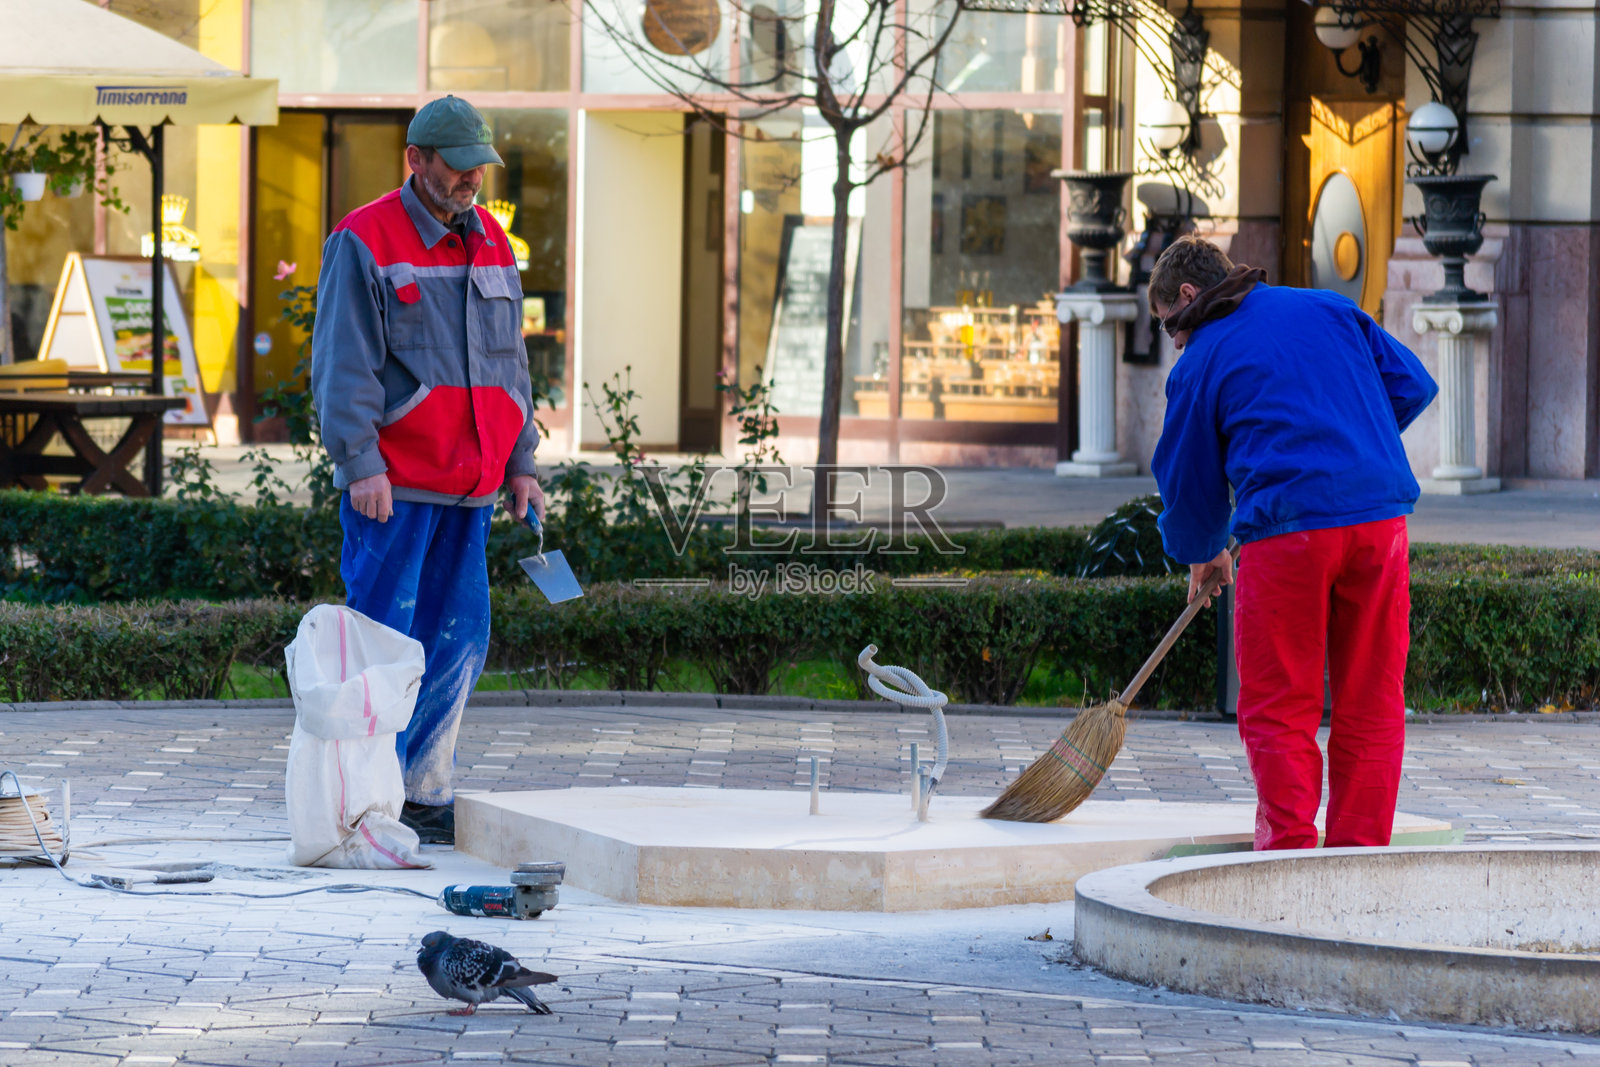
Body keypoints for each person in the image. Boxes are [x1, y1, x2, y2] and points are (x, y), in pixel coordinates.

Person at [1147, 235, 1438, 852]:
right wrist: (1349, 440)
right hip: (1379, 524)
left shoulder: (1200, 360)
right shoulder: (1329, 308)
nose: (1175, 342)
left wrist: (1206, 549)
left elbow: (1187, 476)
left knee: (1281, 703)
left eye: (1170, 326)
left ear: (1189, 297)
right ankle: (1360, 856)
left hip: (1288, 535)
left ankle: (1288, 855)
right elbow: (1411, 384)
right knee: (1373, 696)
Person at [311, 95, 544, 845]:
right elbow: (343, 362)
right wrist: (359, 462)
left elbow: (512, 365)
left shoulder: (494, 243)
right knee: (384, 644)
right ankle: (365, 795)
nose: (472, 179)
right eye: (457, 165)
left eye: (480, 165)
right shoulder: (364, 238)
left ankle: (424, 790)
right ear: (416, 160)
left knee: (460, 637)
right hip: (395, 488)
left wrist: (522, 461)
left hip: (472, 488)